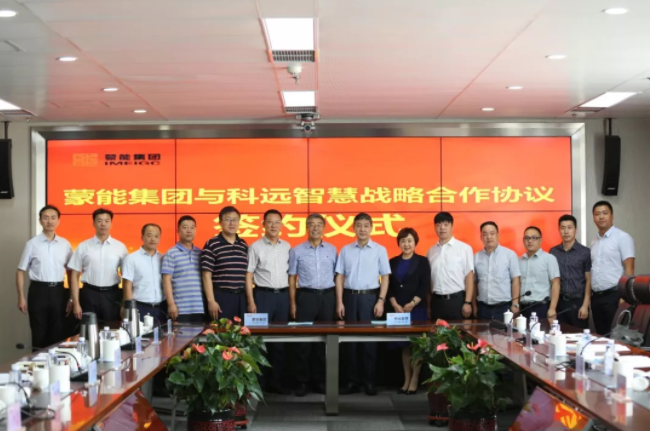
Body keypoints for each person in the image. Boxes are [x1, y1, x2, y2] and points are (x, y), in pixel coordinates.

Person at [336, 213, 391, 396]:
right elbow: (340, 277)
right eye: (359, 225)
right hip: (350, 297)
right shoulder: (345, 250)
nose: (362, 229)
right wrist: (339, 301)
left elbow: (385, 277)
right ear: (353, 228)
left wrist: (381, 301)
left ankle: (369, 382)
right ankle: (352, 381)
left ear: (371, 228)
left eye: (366, 225)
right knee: (349, 343)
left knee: (369, 342)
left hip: (370, 298)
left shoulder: (380, 250)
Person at [289, 214, 338, 397]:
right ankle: (302, 382)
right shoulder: (297, 250)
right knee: (303, 342)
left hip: (327, 297)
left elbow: (337, 277)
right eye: (311, 224)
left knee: (324, 342)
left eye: (319, 225)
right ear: (306, 228)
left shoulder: (332, 249)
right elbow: (292, 278)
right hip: (306, 297)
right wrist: (293, 303)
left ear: (324, 228)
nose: (315, 228)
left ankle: (320, 381)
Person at [246, 209, 291, 395]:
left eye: (277, 222)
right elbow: (248, 275)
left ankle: (277, 383)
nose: (273, 225)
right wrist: (251, 301)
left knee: (280, 342)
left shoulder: (287, 246)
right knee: (259, 342)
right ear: (263, 224)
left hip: (283, 297)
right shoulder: (255, 247)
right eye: (270, 222)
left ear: (281, 225)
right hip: (262, 296)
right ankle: (259, 384)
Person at [16, 205, 73, 350]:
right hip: (38, 291)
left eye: (53, 218)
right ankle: (37, 363)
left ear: (58, 221)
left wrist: (72, 298)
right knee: (38, 333)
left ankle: (56, 363)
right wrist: (21, 297)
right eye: (46, 218)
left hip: (59, 291)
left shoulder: (65, 244)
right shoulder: (32, 244)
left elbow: (70, 272)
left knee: (58, 333)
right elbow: (20, 270)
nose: (49, 221)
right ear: (40, 221)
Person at [388, 228, 430, 395]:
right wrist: (394, 304)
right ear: (399, 243)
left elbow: (425, 285)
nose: (406, 244)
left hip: (416, 308)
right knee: (404, 346)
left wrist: (412, 303)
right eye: (403, 241)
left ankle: (414, 380)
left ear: (415, 243)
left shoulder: (422, 261)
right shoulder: (392, 262)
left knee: (417, 345)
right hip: (398, 310)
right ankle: (406, 380)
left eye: (410, 241)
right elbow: (389, 286)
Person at [69, 208, 128, 323]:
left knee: (112, 328)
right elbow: (74, 275)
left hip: (112, 295)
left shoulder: (120, 247)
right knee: (88, 329)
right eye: (99, 221)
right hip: (89, 294)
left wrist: (124, 304)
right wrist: (75, 303)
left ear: (111, 223)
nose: (103, 224)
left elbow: (127, 277)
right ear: (94, 223)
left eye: (106, 221)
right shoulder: (83, 246)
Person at [590, 201, 635, 335]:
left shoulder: (623, 237)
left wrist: (624, 295)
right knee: (601, 336)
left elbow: (630, 268)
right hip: (596, 297)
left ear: (612, 216)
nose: (601, 217)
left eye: (605, 213)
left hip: (615, 296)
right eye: (597, 214)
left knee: (616, 337)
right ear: (593, 218)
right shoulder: (594, 240)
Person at [201, 206, 249, 321]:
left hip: (241, 297)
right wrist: (211, 301)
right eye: (228, 219)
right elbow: (206, 275)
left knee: (242, 330)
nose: (232, 223)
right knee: (221, 330)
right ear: (220, 222)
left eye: (235, 219)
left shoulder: (243, 244)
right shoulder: (212, 244)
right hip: (221, 297)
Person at [426, 212, 474, 321]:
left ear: (452, 226)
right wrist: (429, 305)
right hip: (436, 302)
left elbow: (469, 277)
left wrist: (467, 302)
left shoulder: (464, 248)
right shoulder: (430, 251)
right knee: (436, 332)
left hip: (457, 301)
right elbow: (429, 280)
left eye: (446, 224)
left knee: (459, 332)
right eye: (438, 225)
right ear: (434, 228)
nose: (442, 228)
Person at [549, 215, 591, 329]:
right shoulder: (553, 252)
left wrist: (585, 305)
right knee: (559, 335)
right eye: (563, 228)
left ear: (575, 230)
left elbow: (588, 280)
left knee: (579, 336)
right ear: (559, 230)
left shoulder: (585, 252)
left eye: (569, 227)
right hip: (559, 303)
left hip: (578, 302)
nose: (566, 231)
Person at [473, 221, 521, 321]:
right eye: (485, 234)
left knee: (504, 331)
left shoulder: (510, 255)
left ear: (498, 235)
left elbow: (515, 280)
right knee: (481, 331)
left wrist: (515, 303)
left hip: (504, 307)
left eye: (492, 233)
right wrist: (474, 305)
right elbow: (474, 283)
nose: (489, 237)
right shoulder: (476, 257)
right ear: (481, 237)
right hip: (482, 308)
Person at [162, 216, 204, 324]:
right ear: (178, 231)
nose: (189, 231)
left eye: (192, 227)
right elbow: (166, 280)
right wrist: (171, 304)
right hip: (180, 309)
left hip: (200, 308)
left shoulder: (201, 253)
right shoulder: (171, 253)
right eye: (185, 227)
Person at [122, 224, 166, 324]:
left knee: (162, 334)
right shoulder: (131, 258)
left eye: (156, 236)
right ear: (142, 237)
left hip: (161, 308)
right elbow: (127, 285)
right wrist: (129, 309)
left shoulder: (163, 258)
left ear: (159, 238)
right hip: (140, 308)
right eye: (149, 235)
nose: (153, 239)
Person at [518, 226, 560, 322]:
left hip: (541, 307)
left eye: (534, 238)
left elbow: (556, 283)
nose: (530, 241)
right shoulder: (519, 260)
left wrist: (552, 308)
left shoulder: (549, 258)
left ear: (540, 240)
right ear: (523, 241)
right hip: (523, 308)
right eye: (527, 238)